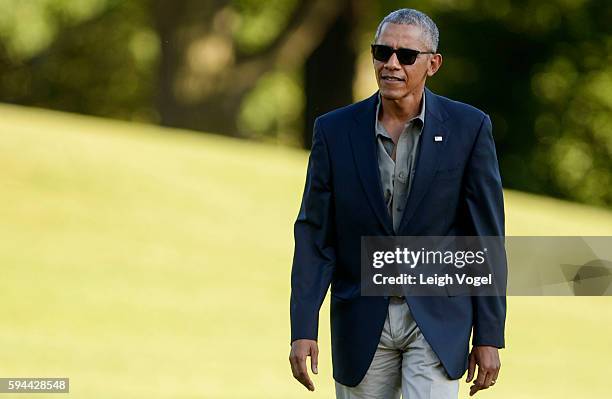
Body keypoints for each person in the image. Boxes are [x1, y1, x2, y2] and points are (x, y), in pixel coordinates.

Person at [289, 8, 506, 399]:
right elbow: (314, 235)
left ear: (433, 63)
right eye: (381, 52)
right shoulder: (334, 131)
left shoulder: (469, 128)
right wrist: (303, 327)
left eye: (406, 56)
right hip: (360, 318)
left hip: (438, 319)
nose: (391, 64)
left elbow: (485, 238)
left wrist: (489, 335)